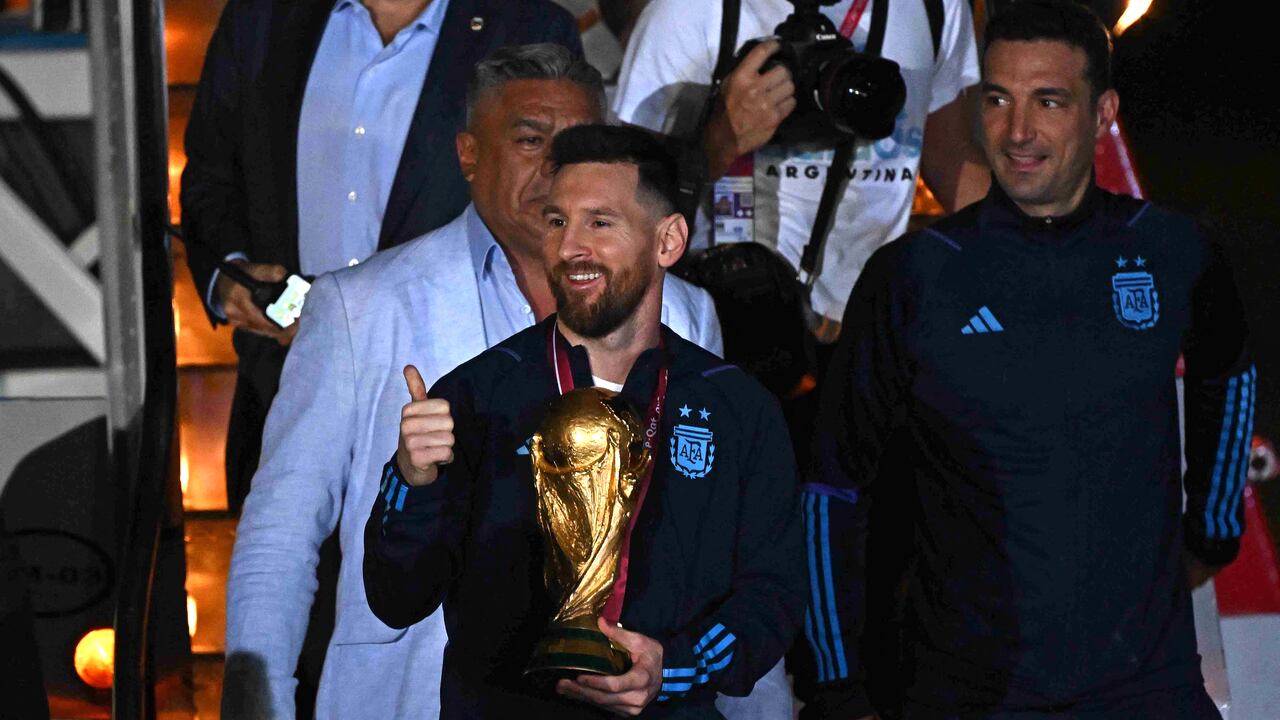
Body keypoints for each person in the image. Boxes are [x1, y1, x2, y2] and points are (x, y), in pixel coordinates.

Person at [222, 46, 723, 720]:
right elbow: (280, 533)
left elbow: (723, 539)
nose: (553, 165)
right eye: (528, 139)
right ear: (468, 155)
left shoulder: (684, 311)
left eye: (573, 145)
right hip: (419, 695)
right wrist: (256, 707)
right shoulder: (358, 308)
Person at [807, 3, 1252, 718]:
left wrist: (1213, 530)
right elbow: (831, 488)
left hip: (1145, 686)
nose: (1018, 132)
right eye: (997, 99)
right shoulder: (916, 274)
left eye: (1049, 101)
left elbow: (1227, 372)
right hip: (968, 691)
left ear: (1102, 111)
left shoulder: (1171, 251)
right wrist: (837, 686)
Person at [363, 123, 807, 718]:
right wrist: (412, 484)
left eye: (600, 222)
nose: (571, 246)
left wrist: (672, 666)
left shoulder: (738, 408)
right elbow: (395, 598)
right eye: (556, 222)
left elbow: (771, 598)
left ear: (668, 240)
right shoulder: (477, 395)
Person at [180, 0, 583, 513]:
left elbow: (557, 203)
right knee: (280, 572)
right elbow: (211, 177)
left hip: (452, 401)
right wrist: (230, 278)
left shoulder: (525, 23)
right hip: (285, 379)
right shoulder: (261, 18)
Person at [612, 0, 990, 343]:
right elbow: (626, 199)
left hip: (876, 319)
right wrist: (722, 139)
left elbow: (950, 157)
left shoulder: (935, 7)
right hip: (728, 317)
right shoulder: (689, 11)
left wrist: (1033, 246)